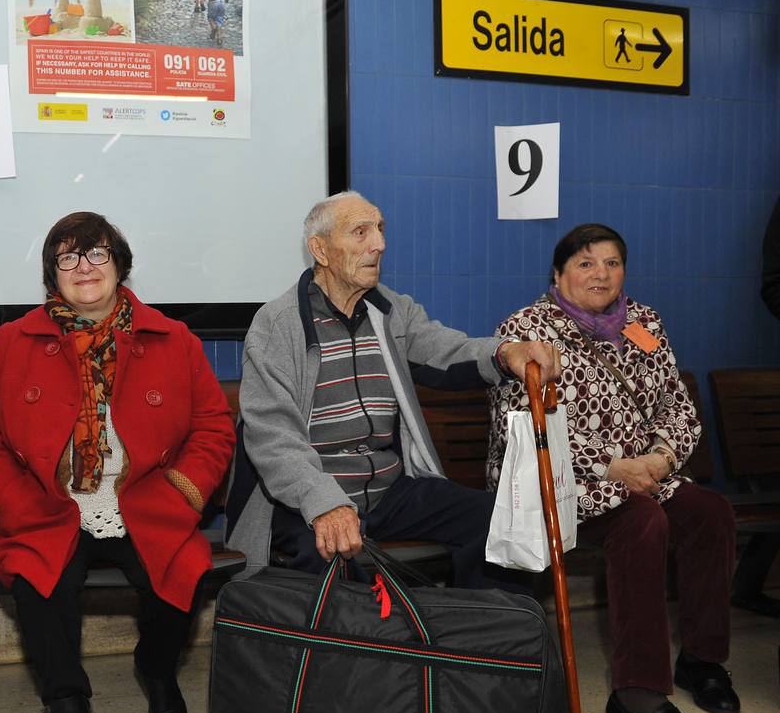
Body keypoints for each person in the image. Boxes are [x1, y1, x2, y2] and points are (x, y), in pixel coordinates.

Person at [0, 211, 235, 713]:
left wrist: (184, 490)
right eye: (68, 257)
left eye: (98, 254)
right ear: (52, 274)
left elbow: (212, 426)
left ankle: (157, 672)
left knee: (178, 576)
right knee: (39, 581)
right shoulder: (12, 342)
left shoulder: (172, 339)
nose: (84, 267)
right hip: (48, 505)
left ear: (120, 265)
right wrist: (11, 502)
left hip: (145, 502)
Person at [488, 223, 738, 713]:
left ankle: (701, 659)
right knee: (642, 522)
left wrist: (663, 457)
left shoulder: (644, 324)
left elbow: (676, 402)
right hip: (560, 485)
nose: (600, 273)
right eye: (585, 263)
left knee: (710, 512)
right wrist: (611, 466)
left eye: (611, 262)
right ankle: (638, 699)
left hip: (647, 472)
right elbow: (527, 430)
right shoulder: (528, 331)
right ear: (557, 274)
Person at [226, 191, 559, 588]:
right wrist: (325, 503)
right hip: (304, 498)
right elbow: (272, 438)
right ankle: (358, 649)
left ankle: (478, 644)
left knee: (502, 524)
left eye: (380, 229)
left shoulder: (389, 311)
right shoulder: (278, 325)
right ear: (320, 249)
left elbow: (444, 350)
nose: (379, 244)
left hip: (388, 490)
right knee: (332, 566)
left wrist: (505, 353)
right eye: (361, 232)